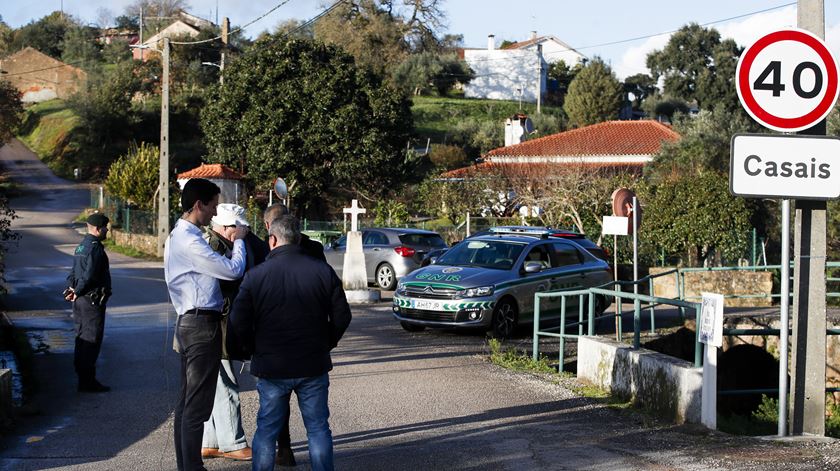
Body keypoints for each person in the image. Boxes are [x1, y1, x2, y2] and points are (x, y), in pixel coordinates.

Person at [229, 215, 351, 471]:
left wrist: (252, 348)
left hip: (271, 365)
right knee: (318, 429)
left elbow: (238, 320)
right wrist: (325, 342)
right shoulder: (322, 271)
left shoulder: (255, 275)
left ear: (272, 239)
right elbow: (342, 316)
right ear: (298, 238)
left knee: (266, 430)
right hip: (312, 363)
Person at [164, 178, 248, 471]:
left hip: (189, 322)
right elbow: (233, 270)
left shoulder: (178, 235)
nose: (214, 214)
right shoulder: (190, 241)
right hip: (201, 325)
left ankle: (187, 465)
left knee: (187, 403)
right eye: (212, 206)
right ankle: (191, 467)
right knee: (196, 407)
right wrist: (238, 241)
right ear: (198, 204)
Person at [200, 204, 268, 461]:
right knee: (226, 381)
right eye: (239, 229)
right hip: (220, 323)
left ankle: (212, 440)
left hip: (215, 323)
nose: (241, 234)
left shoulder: (213, 243)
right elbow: (233, 276)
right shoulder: (218, 246)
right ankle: (233, 442)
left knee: (216, 382)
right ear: (228, 228)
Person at [261, 203, 325, 466]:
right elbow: (335, 305)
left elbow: (250, 303)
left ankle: (284, 448)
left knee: (273, 414)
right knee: (318, 423)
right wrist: (327, 339)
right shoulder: (315, 251)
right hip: (311, 346)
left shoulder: (265, 255)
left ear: (270, 229)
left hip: (275, 349)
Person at [65, 213, 112, 393]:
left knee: (81, 337)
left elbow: (73, 273)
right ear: (98, 229)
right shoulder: (95, 248)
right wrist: (77, 291)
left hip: (80, 301)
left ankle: (82, 378)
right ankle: (87, 382)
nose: (107, 230)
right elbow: (89, 275)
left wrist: (71, 290)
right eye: (105, 227)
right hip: (91, 301)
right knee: (91, 339)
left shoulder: (81, 247)